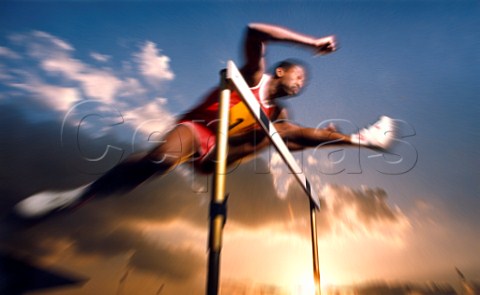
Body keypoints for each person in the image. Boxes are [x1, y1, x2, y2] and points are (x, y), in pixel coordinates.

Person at [15, 23, 395, 219]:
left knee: (283, 131)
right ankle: (79, 196)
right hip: (197, 134)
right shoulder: (253, 76)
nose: (301, 83)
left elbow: (292, 137)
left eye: (304, 83)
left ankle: (363, 140)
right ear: (280, 71)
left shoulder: (278, 114)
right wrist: (311, 44)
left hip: (224, 157)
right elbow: (254, 31)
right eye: (299, 76)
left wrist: (323, 137)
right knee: (158, 161)